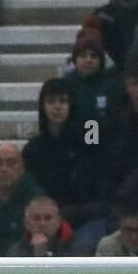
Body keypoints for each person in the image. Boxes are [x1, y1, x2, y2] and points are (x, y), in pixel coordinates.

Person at [21, 78, 104, 227]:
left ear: (71, 105)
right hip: (46, 218)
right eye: (51, 101)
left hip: (86, 215)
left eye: (63, 101)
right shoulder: (32, 149)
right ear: (43, 106)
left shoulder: (88, 139)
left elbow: (97, 181)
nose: (57, 107)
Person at [5, 197, 74, 257]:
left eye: (48, 218)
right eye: (36, 218)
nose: (42, 224)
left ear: (58, 222)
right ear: (26, 223)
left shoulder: (76, 248)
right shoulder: (15, 253)